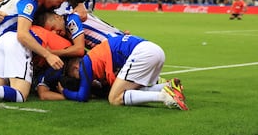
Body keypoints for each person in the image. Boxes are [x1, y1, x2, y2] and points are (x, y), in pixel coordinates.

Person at [59, 35, 189, 110]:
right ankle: (168, 87)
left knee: (114, 98)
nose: (80, 79)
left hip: (142, 53)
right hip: (155, 50)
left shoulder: (85, 64)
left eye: (75, 76)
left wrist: (64, 92)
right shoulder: (96, 57)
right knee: (129, 90)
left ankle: (164, 96)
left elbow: (82, 96)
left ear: (76, 67)